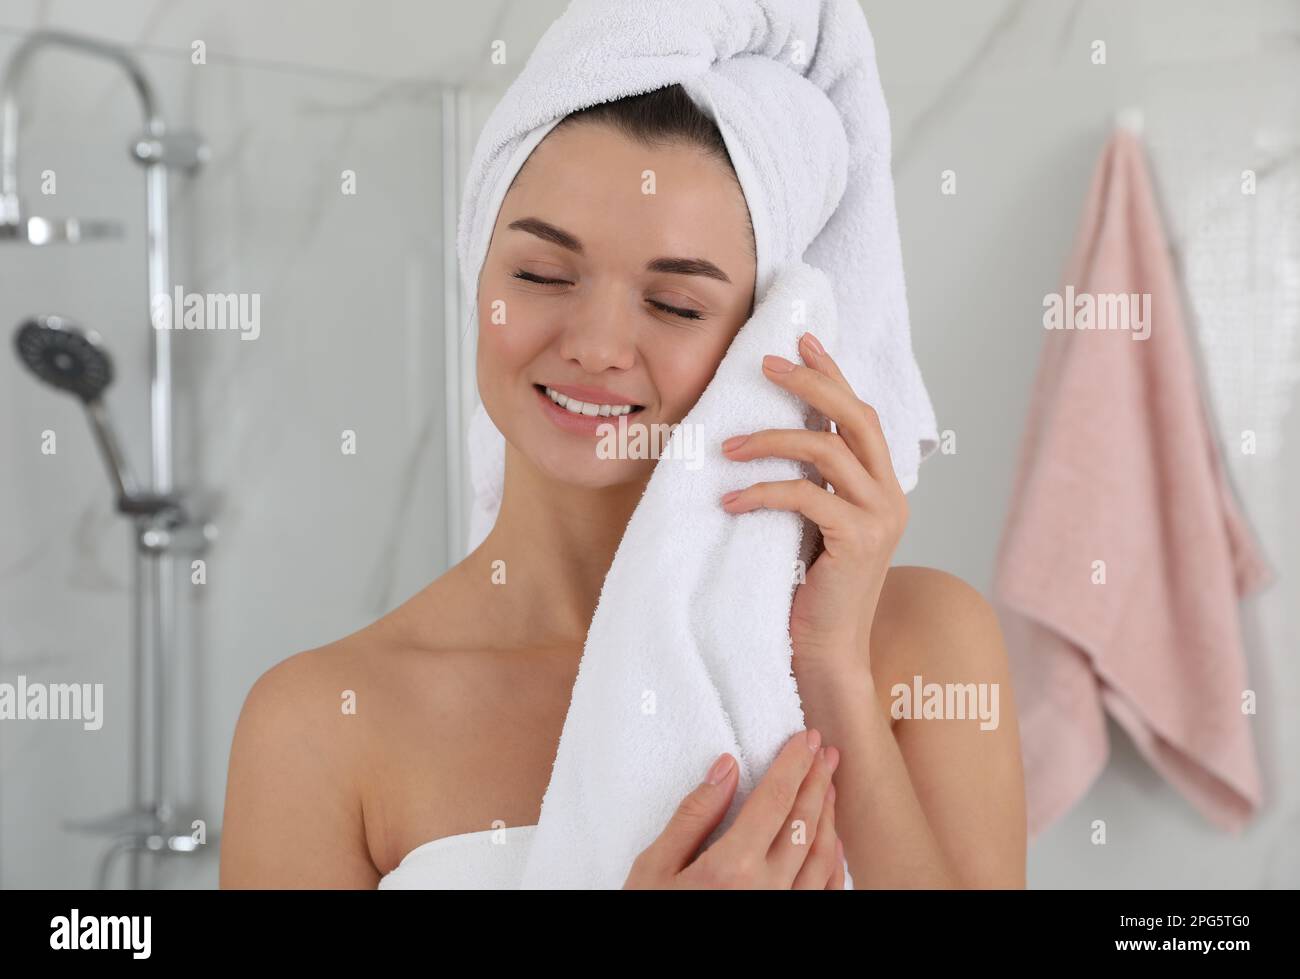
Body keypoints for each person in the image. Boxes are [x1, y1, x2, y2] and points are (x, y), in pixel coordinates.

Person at [219, 84, 1026, 889]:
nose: (597, 346)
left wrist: (834, 667)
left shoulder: (923, 645)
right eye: (541, 274)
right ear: (478, 277)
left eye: (674, 303)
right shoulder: (321, 723)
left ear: (763, 335)